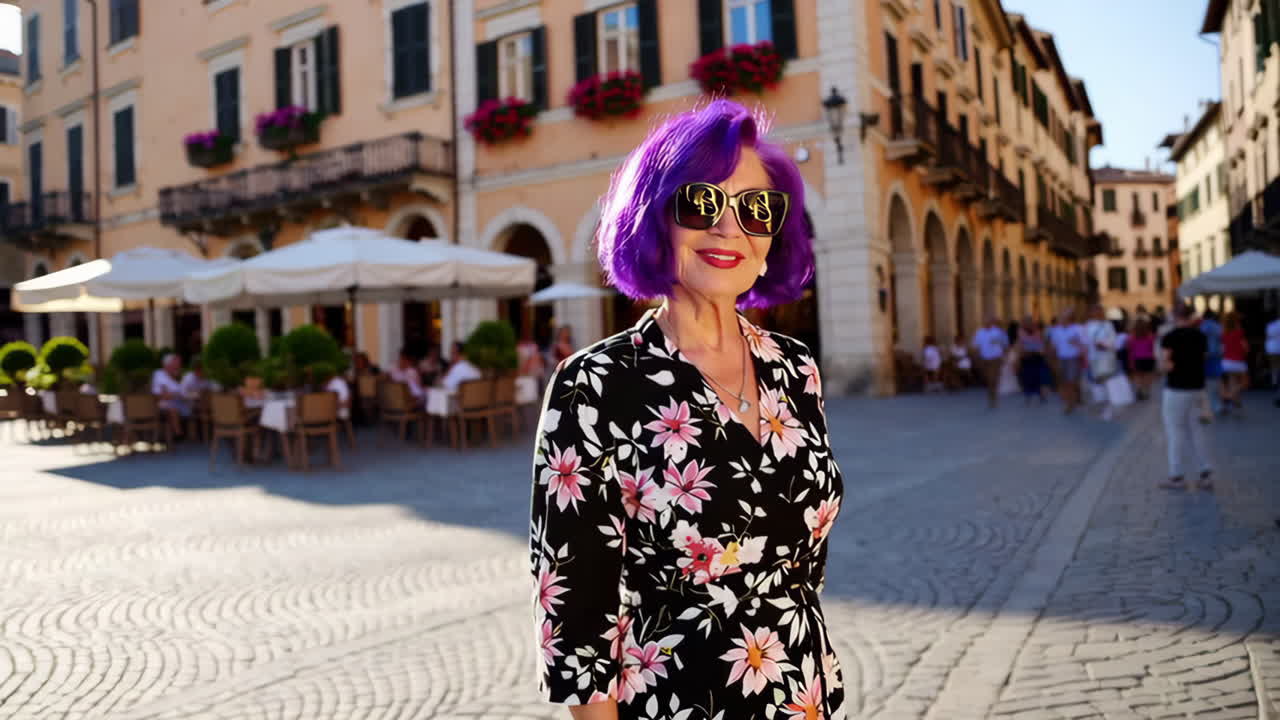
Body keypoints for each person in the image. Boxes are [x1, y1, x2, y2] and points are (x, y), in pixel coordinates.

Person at [529, 100, 846, 719]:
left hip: (807, 699)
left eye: (757, 209)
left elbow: (806, 573)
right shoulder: (593, 386)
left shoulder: (795, 368)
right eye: (702, 202)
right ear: (655, 217)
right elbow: (576, 621)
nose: (731, 228)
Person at [1159, 304, 1213, 490]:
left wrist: (1165, 365)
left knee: (1175, 431)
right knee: (1196, 430)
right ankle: (1205, 473)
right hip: (1197, 388)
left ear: (1175, 316)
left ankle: (1176, 476)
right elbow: (1204, 357)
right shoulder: (1200, 336)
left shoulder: (1170, 337)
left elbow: (1167, 364)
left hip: (1176, 388)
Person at [1085, 304, 1120, 420]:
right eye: (1094, 311)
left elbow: (1113, 339)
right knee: (1097, 381)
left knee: (1106, 381)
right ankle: (1103, 403)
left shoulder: (1108, 325)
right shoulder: (1088, 326)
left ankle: (1109, 406)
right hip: (1093, 357)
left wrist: (1104, 345)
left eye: (1098, 311)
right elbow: (1086, 341)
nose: (1096, 313)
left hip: (1106, 357)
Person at [1052, 308, 1086, 414]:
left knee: (1071, 381)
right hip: (1061, 358)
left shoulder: (1078, 328)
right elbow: (1055, 345)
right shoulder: (1056, 330)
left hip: (1074, 358)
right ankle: (1072, 400)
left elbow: (1085, 343)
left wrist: (1077, 343)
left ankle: (1071, 403)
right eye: (1061, 317)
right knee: (1064, 382)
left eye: (1064, 317)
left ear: (1070, 318)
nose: (1061, 319)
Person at [972, 316, 1009, 408]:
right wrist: (977, 357)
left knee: (993, 378)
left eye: (989, 322)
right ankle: (991, 394)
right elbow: (976, 345)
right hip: (984, 358)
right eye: (985, 322)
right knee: (989, 379)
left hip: (996, 358)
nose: (987, 323)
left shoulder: (998, 332)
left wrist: (1004, 356)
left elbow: (1005, 343)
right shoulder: (979, 333)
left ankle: (993, 398)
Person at [151, 354, 188, 439]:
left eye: (179, 364)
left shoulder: (175, 376)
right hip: (161, 405)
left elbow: (180, 392)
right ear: (167, 365)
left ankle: (184, 433)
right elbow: (161, 394)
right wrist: (174, 394)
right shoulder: (159, 375)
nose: (178, 366)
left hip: (178, 402)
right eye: (176, 364)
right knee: (172, 408)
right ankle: (178, 433)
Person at [1220, 311, 1249, 414]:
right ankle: (1231, 396)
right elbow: (1245, 347)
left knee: (1232, 381)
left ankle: (1234, 402)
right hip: (1239, 361)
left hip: (1226, 361)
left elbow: (1222, 348)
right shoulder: (1239, 332)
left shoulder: (1223, 333)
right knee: (1245, 383)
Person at [1199, 309, 1225, 418]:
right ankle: (1218, 404)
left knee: (1207, 382)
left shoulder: (1203, 326)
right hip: (1217, 354)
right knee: (1217, 379)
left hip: (1206, 355)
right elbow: (1222, 339)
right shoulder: (1218, 326)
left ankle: (1211, 405)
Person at [1017, 318, 1048, 404]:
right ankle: (1028, 395)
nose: (1028, 325)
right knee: (1027, 376)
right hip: (1026, 357)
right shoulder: (1021, 333)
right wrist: (1020, 354)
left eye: (1029, 323)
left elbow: (1042, 344)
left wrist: (1042, 352)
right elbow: (1020, 345)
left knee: (1039, 376)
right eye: (1026, 323)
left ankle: (1041, 394)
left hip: (1037, 357)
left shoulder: (1038, 332)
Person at [1127, 318, 1157, 400]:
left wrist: (1130, 361)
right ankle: (1146, 391)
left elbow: (1130, 349)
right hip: (1148, 358)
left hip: (1136, 358)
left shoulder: (1131, 337)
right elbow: (1152, 348)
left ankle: (1139, 389)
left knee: (1138, 376)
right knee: (1147, 375)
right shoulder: (1150, 336)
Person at [1267, 311, 1280, 407]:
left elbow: (1268, 336)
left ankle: (1274, 380)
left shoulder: (1270, 326)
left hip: (1272, 349)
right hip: (1277, 347)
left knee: (1274, 367)